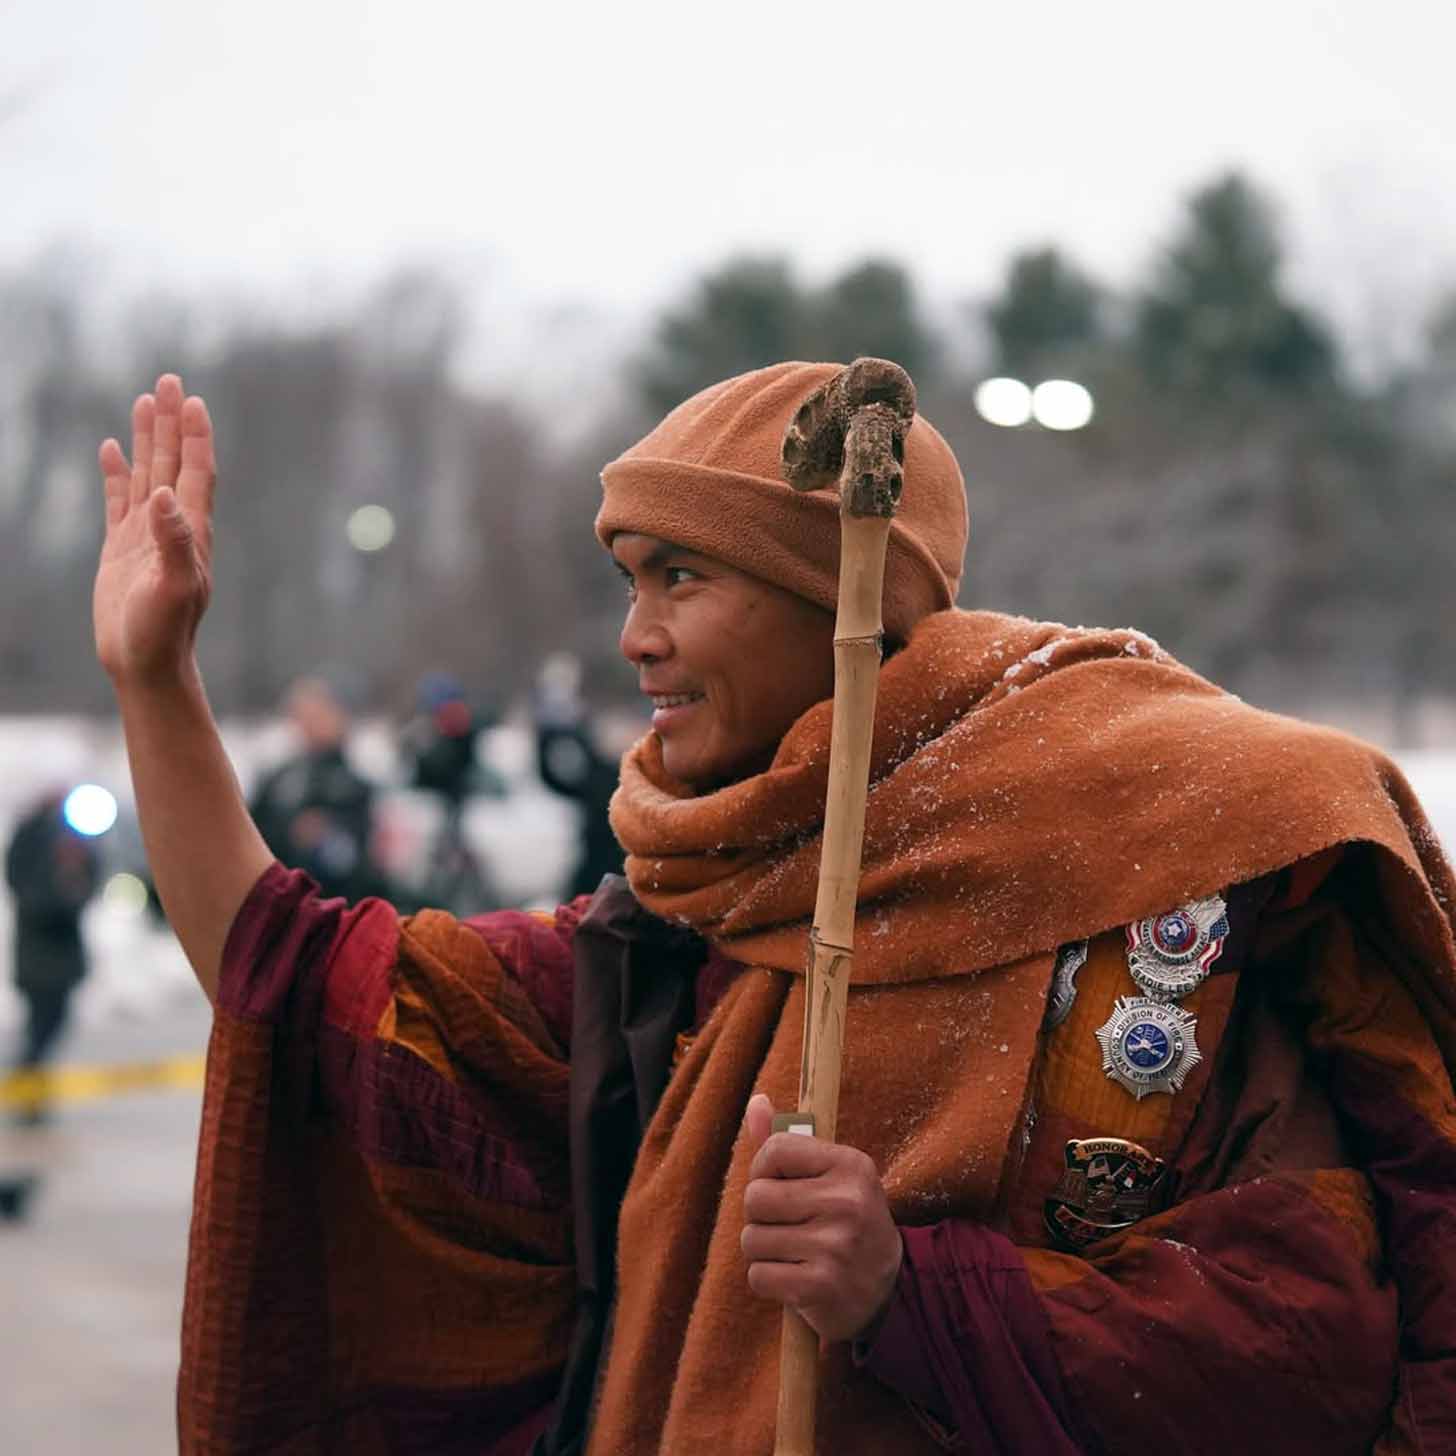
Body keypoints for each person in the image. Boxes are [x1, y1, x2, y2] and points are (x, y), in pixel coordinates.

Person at [93, 365, 1455, 1455]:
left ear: (840, 599)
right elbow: (304, 982)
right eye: (629, 580)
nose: (634, 636)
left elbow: (1307, 1338)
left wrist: (913, 1299)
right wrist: (155, 680)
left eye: (683, 576)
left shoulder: (1148, 882)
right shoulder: (686, 924)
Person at [5, 789, 102, 1125]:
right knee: (41, 1028)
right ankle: (26, 1093)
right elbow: (24, 886)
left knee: (53, 1025)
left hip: (62, 954)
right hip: (37, 954)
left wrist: (75, 885)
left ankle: (29, 1091)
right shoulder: (32, 837)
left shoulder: (74, 838)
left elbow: (90, 879)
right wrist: (60, 895)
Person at [248, 676, 387, 904]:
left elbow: (363, 860)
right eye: (304, 715)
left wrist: (326, 837)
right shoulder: (278, 777)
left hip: (335, 907)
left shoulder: (356, 786)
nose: (310, 723)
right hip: (277, 903)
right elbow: (253, 830)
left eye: (320, 714)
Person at [533, 653, 625, 901]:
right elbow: (554, 779)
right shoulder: (602, 773)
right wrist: (547, 735)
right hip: (597, 874)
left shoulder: (633, 777)